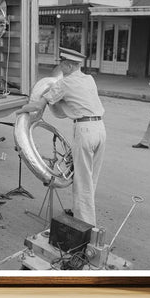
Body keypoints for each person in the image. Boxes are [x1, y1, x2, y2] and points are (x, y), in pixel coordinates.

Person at [16, 47, 106, 226]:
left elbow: (36, 106)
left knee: (81, 180)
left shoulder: (64, 84)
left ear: (70, 66)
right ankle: (82, 213)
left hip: (85, 130)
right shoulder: (90, 79)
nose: (60, 66)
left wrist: (20, 111)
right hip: (100, 129)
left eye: (63, 63)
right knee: (91, 177)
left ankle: (84, 226)